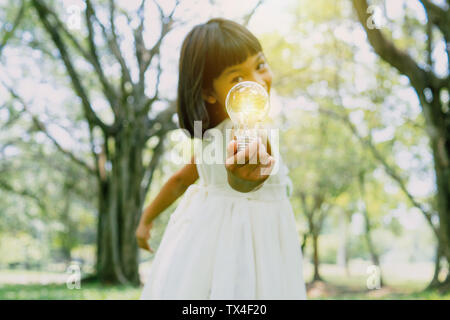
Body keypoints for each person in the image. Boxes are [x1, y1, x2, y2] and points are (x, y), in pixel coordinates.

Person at [137, 18, 307, 300]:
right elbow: (243, 177)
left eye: (260, 65)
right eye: (237, 78)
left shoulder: (213, 136)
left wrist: (146, 219)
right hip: (244, 244)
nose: (256, 82)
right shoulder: (247, 132)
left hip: (212, 243)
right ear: (208, 92)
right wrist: (241, 181)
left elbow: (180, 180)